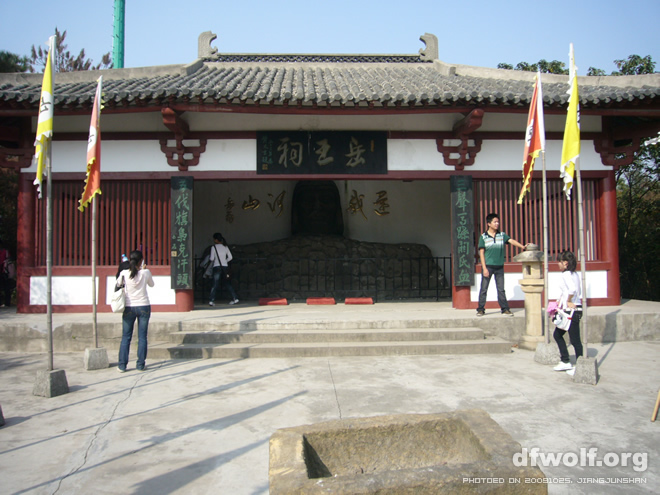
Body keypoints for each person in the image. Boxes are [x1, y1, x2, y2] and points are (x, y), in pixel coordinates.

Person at [476, 213, 527, 316]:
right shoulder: (483, 237)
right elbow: (481, 253)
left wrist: (522, 247)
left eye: (498, 222)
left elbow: (511, 240)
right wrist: (484, 268)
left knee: (501, 289)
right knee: (483, 289)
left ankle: (505, 309)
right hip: (488, 266)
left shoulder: (502, 235)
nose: (497, 224)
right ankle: (481, 309)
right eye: (495, 222)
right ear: (489, 224)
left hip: (499, 267)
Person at [116, 250, 154, 372]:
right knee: (142, 337)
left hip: (128, 306)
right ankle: (140, 364)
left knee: (126, 337)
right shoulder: (145, 272)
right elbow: (151, 285)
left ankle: (122, 365)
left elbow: (118, 284)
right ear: (141, 261)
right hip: (144, 306)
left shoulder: (123, 273)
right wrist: (143, 270)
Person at [552, 250, 584, 375]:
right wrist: (561, 300)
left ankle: (580, 365)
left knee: (575, 340)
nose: (558, 264)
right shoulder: (574, 274)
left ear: (565, 263)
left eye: (559, 262)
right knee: (558, 334)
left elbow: (572, 289)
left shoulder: (566, 275)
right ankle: (565, 361)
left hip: (572, 311)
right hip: (570, 310)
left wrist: (569, 300)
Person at [208, 233, 238, 306]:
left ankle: (211, 300)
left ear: (215, 240)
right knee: (227, 283)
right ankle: (235, 298)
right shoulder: (225, 247)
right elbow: (230, 257)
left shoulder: (213, 247)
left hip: (217, 266)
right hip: (225, 267)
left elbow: (211, 258)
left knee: (215, 284)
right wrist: (225, 261)